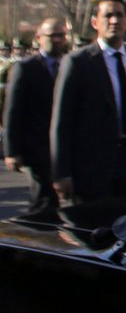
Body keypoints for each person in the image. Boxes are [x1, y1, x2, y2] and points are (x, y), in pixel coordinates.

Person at [50, 0, 126, 204]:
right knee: (96, 221)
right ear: (95, 22)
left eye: (119, 15)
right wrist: (61, 173)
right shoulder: (78, 62)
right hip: (92, 166)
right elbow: (62, 121)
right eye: (108, 15)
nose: (114, 21)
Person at [2, 18, 68, 215]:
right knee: (43, 200)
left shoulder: (70, 65)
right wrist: (12, 151)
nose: (57, 40)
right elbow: (12, 110)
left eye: (61, 35)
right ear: (39, 38)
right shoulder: (25, 68)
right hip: (35, 147)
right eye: (52, 36)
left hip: (64, 147)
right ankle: (37, 232)